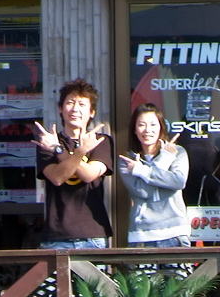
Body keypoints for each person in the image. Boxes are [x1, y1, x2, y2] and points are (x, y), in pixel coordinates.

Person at [32, 78, 113, 249]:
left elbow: (89, 175)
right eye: (70, 103)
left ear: (92, 112)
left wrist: (58, 150)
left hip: (93, 235)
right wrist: (78, 151)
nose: (75, 109)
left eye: (82, 104)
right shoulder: (48, 141)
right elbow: (57, 178)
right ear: (60, 109)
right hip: (56, 235)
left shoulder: (101, 141)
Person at [118, 103, 190, 248]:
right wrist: (164, 162)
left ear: (161, 127)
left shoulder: (177, 151)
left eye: (153, 125)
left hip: (175, 232)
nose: (147, 130)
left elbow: (179, 181)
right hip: (141, 235)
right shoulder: (127, 160)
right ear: (134, 130)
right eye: (141, 125)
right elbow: (143, 191)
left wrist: (140, 170)